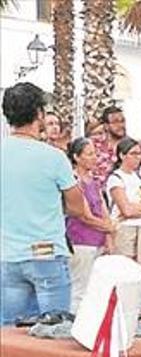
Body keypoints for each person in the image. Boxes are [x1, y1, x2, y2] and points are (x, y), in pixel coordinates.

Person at [1, 82, 86, 324]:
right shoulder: (54, 157)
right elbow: (77, 208)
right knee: (52, 336)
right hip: (47, 254)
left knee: (9, 338)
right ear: (39, 114)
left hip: (7, 255)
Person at [66, 137, 116, 311]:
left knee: (96, 289)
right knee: (80, 288)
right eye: (89, 154)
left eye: (95, 153)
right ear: (77, 157)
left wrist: (109, 237)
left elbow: (103, 207)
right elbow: (84, 215)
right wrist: (109, 226)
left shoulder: (93, 181)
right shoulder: (74, 181)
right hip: (81, 240)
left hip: (98, 240)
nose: (94, 157)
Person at [106, 137, 141, 266]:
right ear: (122, 155)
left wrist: (137, 207)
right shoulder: (116, 178)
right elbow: (126, 210)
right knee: (124, 268)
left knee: (139, 269)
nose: (137, 157)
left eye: (139, 153)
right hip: (124, 229)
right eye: (133, 154)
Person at [93, 106, 141, 185]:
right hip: (99, 193)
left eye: (122, 121)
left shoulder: (134, 145)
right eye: (115, 122)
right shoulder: (95, 144)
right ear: (106, 126)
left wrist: (140, 180)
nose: (120, 125)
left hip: (126, 194)